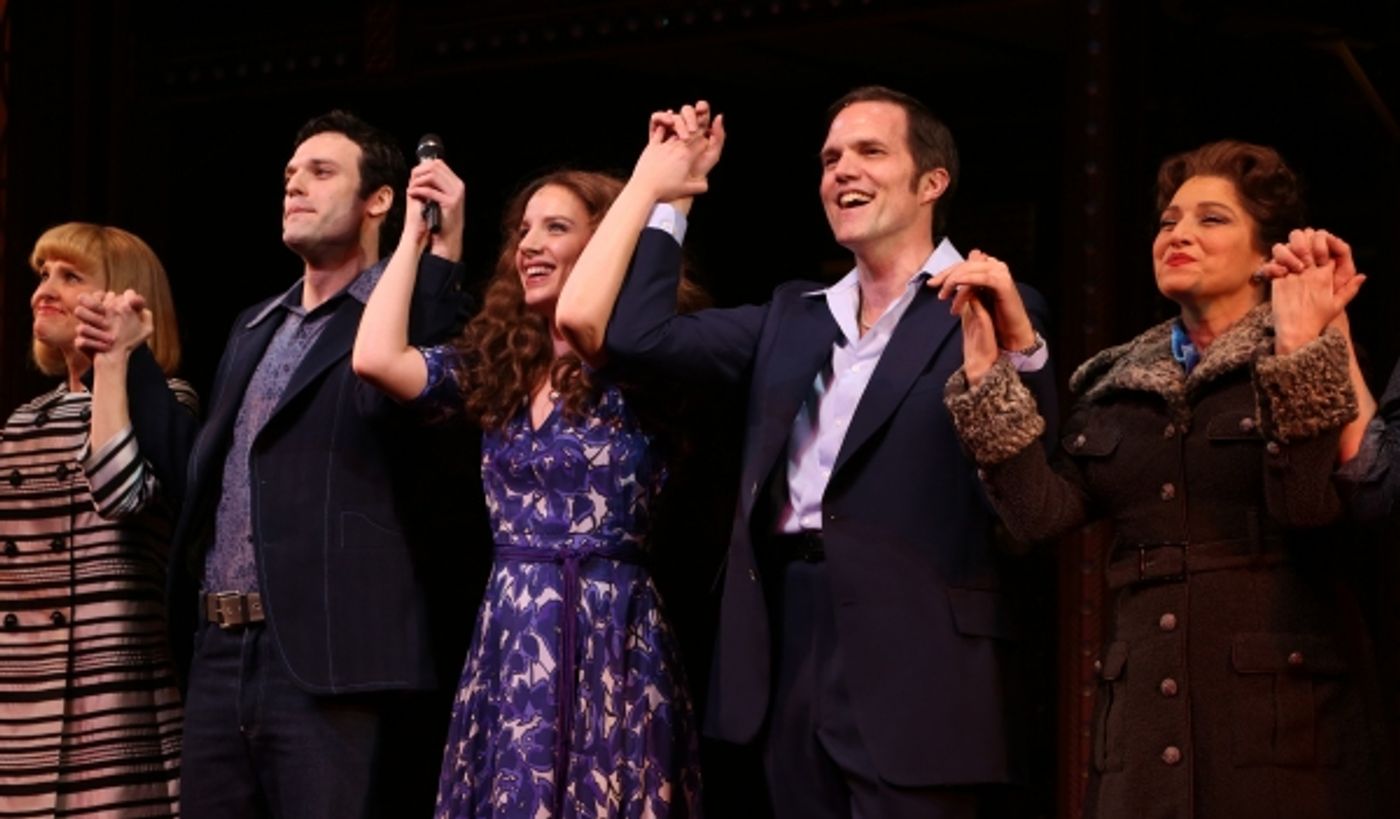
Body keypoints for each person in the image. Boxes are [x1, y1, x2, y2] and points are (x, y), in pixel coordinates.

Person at [590, 88, 1057, 818]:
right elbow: (637, 338)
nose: (843, 170)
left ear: (931, 182)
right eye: (831, 158)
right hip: (791, 639)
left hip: (920, 656)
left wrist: (1021, 353)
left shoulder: (987, 302)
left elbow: (1035, 494)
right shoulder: (794, 314)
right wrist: (670, 197)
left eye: (870, 152)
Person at [941, 139, 1393, 817]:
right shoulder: (1115, 382)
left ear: (1266, 255)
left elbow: (1307, 506)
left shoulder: (1308, 351)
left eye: (1212, 219)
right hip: (1144, 724)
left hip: (1281, 725)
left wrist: (1300, 355)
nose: (1178, 234)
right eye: (1168, 222)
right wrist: (987, 374)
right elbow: (1038, 515)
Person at [351, 119, 710, 818]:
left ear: (604, 242)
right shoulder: (504, 369)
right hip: (514, 634)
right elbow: (376, 358)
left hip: (609, 628)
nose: (529, 245)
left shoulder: (639, 363)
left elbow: (585, 322)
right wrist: (414, 238)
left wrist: (650, 191)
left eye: (556, 228)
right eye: (523, 230)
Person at [168, 110, 471, 818]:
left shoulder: (398, 317)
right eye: (289, 175)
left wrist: (438, 251)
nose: (294, 186)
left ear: (380, 200)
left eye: (321, 172)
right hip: (221, 649)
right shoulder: (255, 324)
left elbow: (427, 408)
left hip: (329, 654)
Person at [1, 223, 196, 817]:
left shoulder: (168, 402)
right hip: (21, 694)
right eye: (43, 275)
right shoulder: (23, 422)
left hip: (114, 694)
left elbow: (119, 494)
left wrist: (113, 363)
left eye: (71, 276)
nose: (45, 290)